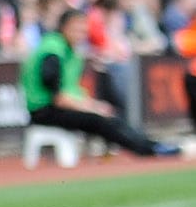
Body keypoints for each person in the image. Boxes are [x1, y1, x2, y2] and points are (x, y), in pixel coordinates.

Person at [19, 9, 179, 160]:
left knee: (110, 114)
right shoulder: (52, 52)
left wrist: (94, 105)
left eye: (83, 31)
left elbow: (70, 91)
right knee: (99, 120)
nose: (80, 35)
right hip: (44, 111)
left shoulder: (69, 51)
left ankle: (151, 145)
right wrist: (92, 107)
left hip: (58, 106)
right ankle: (146, 149)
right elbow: (59, 98)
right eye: (76, 29)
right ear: (64, 27)